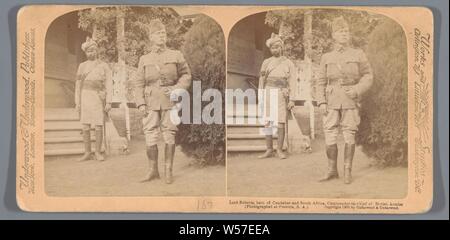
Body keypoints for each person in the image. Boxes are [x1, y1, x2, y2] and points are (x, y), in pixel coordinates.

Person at [132, 19, 191, 184]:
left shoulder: (175, 55)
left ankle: (168, 171)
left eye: (163, 33)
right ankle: (152, 171)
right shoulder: (144, 59)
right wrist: (140, 103)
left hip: (169, 100)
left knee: (169, 133)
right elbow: (138, 83)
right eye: (158, 34)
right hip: (150, 101)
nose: (162, 36)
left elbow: (186, 75)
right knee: (150, 134)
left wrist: (176, 89)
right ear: (151, 37)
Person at [316, 16, 373, 184]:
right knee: (330, 135)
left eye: (346, 31)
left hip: (350, 99)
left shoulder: (358, 54)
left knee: (349, 134)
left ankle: (347, 170)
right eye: (340, 32)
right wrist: (321, 101)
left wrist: (357, 89)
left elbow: (368, 75)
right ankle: (332, 170)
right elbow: (319, 81)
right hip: (331, 99)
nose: (344, 34)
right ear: (333, 35)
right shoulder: (326, 57)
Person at [258, 33, 297, 160]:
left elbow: (292, 82)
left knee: (280, 121)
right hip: (268, 91)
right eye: (273, 48)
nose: (275, 50)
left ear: (281, 47)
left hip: (281, 93)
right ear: (270, 49)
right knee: (268, 121)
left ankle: (279, 149)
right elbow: (262, 80)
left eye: (277, 47)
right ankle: (269, 149)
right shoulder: (266, 62)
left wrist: (291, 99)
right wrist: (261, 96)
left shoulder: (288, 63)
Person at [75, 37, 113, 162]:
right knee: (85, 124)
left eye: (93, 50)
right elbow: (78, 85)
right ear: (85, 53)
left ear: (97, 51)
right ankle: (87, 152)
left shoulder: (103, 66)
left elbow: (109, 84)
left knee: (98, 124)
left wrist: (108, 102)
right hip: (85, 96)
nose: (91, 53)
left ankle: (97, 152)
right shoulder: (82, 66)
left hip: (98, 97)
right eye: (88, 51)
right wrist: (77, 102)